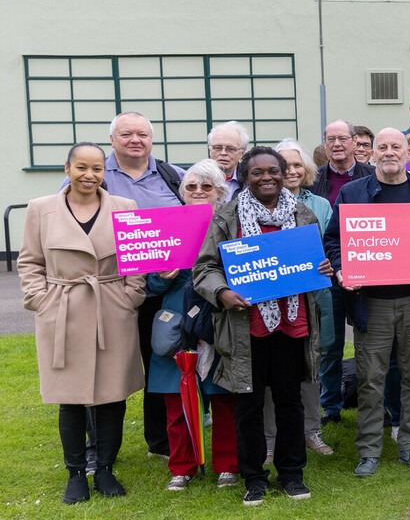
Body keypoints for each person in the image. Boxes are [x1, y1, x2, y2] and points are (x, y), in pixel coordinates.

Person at [193, 147, 333, 506]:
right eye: (257, 173)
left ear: (285, 173)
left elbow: (314, 262)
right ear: (245, 177)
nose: (267, 177)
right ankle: (253, 477)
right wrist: (222, 292)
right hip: (246, 327)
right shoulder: (227, 218)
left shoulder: (303, 215)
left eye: (274, 171)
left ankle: (291, 474)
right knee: (249, 407)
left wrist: (323, 268)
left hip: (292, 324)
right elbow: (204, 270)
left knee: (290, 402)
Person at [20, 143, 145, 504]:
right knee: (69, 397)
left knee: (112, 395)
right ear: (68, 168)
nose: (89, 175)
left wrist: (130, 297)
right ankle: (76, 473)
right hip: (63, 310)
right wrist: (41, 299)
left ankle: (105, 469)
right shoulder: (40, 209)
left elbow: (134, 262)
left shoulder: (126, 208)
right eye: (82, 168)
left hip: (111, 308)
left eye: (97, 169)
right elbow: (29, 262)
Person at [322, 130, 410, 477]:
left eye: (396, 147)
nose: (389, 152)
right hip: (371, 302)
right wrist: (342, 269)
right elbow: (333, 241)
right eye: (383, 147)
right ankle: (369, 450)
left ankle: (409, 445)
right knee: (371, 379)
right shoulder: (352, 193)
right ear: (372, 154)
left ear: (407, 152)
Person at [148, 161, 241, 490]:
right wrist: (161, 276)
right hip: (176, 326)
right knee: (177, 399)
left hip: (220, 319)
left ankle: (228, 465)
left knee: (224, 395)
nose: (199, 192)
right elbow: (148, 285)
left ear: (221, 192)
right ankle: (182, 466)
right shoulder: (165, 226)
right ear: (181, 192)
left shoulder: (234, 224)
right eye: (192, 186)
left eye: (207, 187)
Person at [100, 112, 184, 462]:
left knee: (160, 365)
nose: (136, 140)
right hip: (111, 292)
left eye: (143, 134)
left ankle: (159, 441)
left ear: (152, 138)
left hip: (164, 292)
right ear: (112, 140)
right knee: (108, 369)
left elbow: (198, 212)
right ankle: (101, 448)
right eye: (126, 134)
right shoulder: (95, 174)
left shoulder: (173, 175)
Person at [308, 119, 374, 427]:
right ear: (324, 145)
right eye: (330, 139)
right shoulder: (314, 181)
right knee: (330, 342)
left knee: (370, 338)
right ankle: (330, 406)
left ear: (353, 142)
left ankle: (373, 401)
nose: (336, 144)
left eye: (342, 138)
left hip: (369, 269)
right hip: (328, 270)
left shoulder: (372, 177)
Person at [272, 140, 336, 457]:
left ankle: (312, 430)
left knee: (312, 365)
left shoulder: (321, 205)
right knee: (271, 369)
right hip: (273, 301)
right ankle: (272, 439)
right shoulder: (261, 204)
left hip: (314, 297)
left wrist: (329, 262)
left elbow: (331, 245)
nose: (292, 171)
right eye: (284, 165)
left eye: (297, 165)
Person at [208, 121, 250, 194]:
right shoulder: (194, 180)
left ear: (242, 153)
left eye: (230, 149)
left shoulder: (250, 181)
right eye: (218, 148)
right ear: (210, 150)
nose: (223, 153)